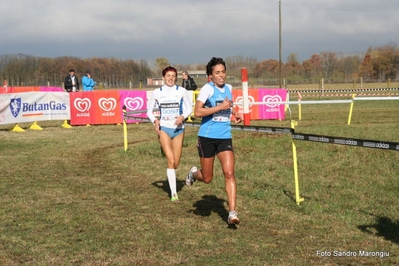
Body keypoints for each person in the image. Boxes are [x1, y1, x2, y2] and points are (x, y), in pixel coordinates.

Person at [186, 57, 242, 225]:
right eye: (217, 73)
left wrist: (234, 113)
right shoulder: (207, 90)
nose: (221, 76)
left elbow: (228, 106)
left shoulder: (229, 88)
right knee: (207, 177)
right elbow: (197, 112)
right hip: (207, 138)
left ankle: (232, 212)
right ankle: (193, 174)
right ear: (210, 75)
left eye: (223, 72)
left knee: (229, 173)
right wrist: (219, 108)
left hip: (225, 136)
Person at [147, 66, 193, 202]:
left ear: (176, 77)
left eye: (173, 76)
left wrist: (182, 117)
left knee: (176, 163)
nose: (171, 78)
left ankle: (188, 173)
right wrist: (155, 121)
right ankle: (174, 194)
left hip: (179, 130)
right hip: (164, 129)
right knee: (171, 161)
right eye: (168, 76)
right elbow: (149, 112)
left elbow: (189, 108)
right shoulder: (157, 92)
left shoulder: (182, 91)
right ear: (163, 77)